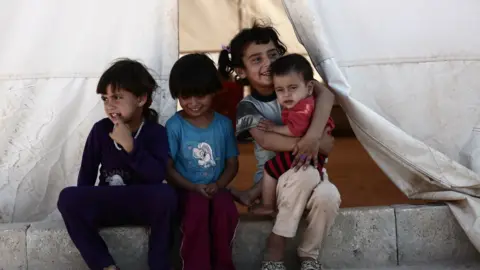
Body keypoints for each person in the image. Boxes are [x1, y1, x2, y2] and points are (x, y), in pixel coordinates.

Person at [218, 22, 341, 270]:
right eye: (256, 59)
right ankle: (274, 249)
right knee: (304, 175)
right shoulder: (248, 106)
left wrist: (313, 137)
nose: (268, 63)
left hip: (315, 172)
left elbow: (327, 96)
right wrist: (313, 143)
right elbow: (267, 140)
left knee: (330, 195)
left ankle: (309, 256)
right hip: (273, 183)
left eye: (273, 55)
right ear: (241, 71)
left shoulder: (296, 84)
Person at [57, 59, 177, 270]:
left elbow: (157, 175)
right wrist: (83, 206)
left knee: (167, 195)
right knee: (68, 197)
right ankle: (106, 266)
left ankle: (160, 265)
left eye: (118, 97)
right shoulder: (101, 130)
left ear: (141, 99)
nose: (110, 105)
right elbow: (86, 176)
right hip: (109, 202)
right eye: (105, 98)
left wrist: (131, 146)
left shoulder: (155, 132)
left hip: (141, 202)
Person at [166, 53, 239, 270]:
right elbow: (168, 169)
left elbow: (232, 164)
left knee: (225, 210)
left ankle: (223, 265)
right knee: (196, 211)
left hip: (217, 190)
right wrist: (193, 187)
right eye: (185, 97)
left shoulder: (224, 125)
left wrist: (218, 185)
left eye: (200, 96)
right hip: (186, 192)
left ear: (213, 91)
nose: (193, 103)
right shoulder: (174, 126)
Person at [251, 53, 335, 216]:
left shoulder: (302, 108)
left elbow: (295, 130)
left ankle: (268, 205)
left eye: (293, 88)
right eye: (280, 90)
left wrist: (274, 128)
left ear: (309, 87)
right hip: (311, 152)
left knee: (270, 168)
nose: (287, 95)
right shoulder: (308, 102)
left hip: (300, 154)